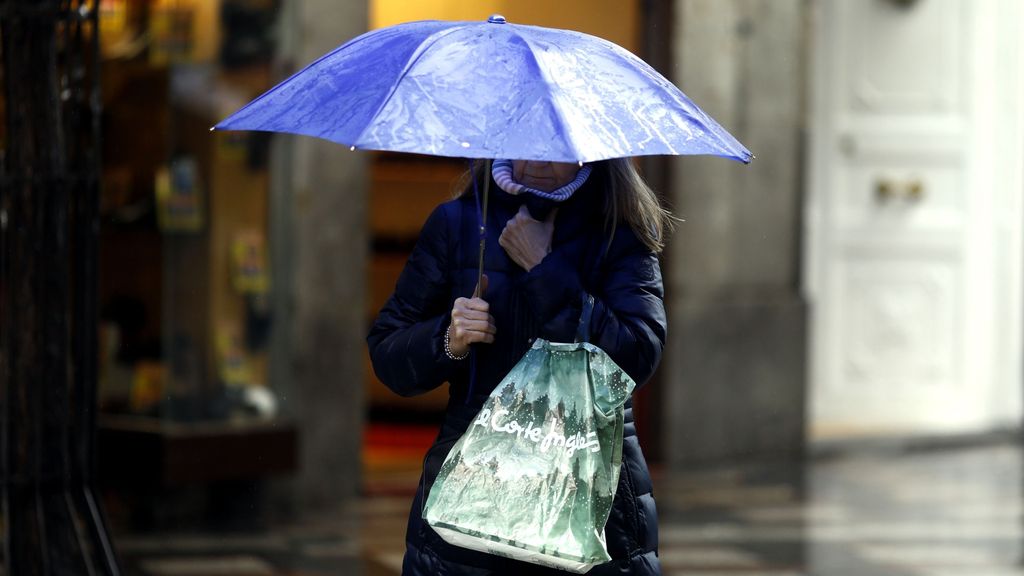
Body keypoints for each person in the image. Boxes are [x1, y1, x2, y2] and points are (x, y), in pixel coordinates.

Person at [367, 157, 670, 575]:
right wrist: (449, 339)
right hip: (473, 492)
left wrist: (544, 268)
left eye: (556, 149)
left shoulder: (620, 229)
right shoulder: (458, 223)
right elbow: (388, 351)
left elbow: (638, 355)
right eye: (525, 142)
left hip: (591, 497)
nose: (538, 161)